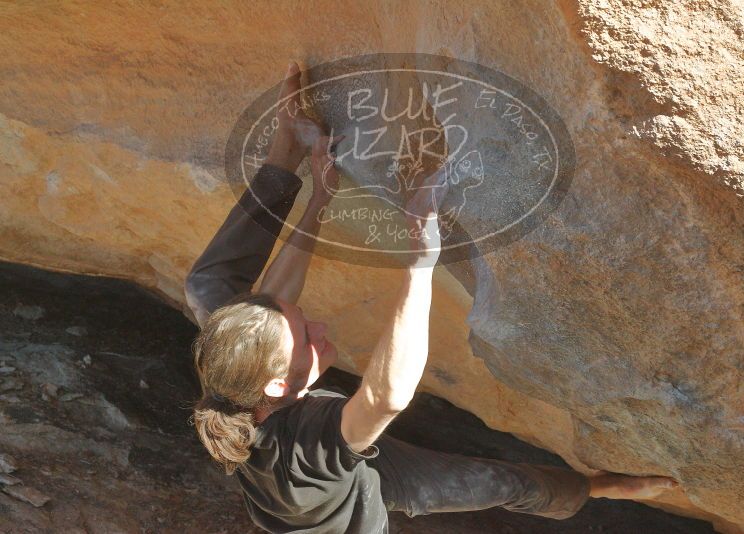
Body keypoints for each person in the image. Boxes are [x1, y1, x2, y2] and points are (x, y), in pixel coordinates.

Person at [185, 62, 678, 533]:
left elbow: (270, 301)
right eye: (306, 339)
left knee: (206, 289)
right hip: (347, 503)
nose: (320, 328)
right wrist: (420, 257)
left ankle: (284, 151)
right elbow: (385, 396)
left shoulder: (231, 367)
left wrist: (318, 196)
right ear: (275, 385)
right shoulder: (305, 447)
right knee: (497, 484)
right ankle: (594, 488)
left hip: (313, 444)